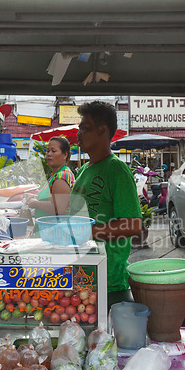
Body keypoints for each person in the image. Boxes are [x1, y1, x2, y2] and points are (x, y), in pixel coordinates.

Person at [69, 101, 142, 307]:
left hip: (108, 282)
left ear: (103, 130)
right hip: (80, 275)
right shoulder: (84, 170)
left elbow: (133, 225)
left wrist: (89, 232)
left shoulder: (117, 171)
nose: (79, 133)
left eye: (85, 128)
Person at [24, 136, 75, 218]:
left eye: (53, 151)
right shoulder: (55, 175)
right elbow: (51, 198)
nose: (49, 154)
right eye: (47, 151)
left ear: (65, 154)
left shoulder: (61, 177)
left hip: (55, 229)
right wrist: (34, 197)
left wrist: (36, 203)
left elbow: (58, 209)